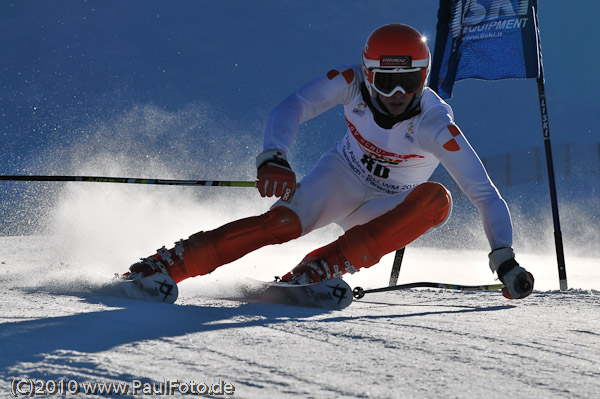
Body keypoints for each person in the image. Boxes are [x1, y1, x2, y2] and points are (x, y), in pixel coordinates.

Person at [123, 23, 534, 300]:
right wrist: (274, 156)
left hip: (384, 210)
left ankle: (316, 270)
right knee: (281, 224)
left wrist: (504, 257)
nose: (395, 93)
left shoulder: (435, 124)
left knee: (437, 200)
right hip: (341, 177)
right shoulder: (350, 82)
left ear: (422, 78)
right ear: (369, 73)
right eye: (386, 80)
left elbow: (484, 193)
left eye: (407, 81)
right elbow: (294, 105)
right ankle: (166, 266)